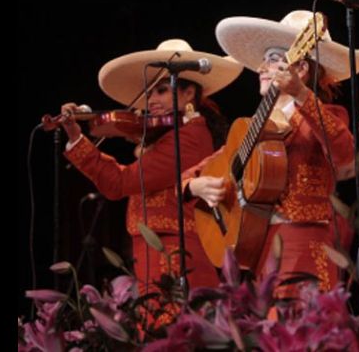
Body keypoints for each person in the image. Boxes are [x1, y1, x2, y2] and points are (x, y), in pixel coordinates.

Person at [185, 10, 359, 298]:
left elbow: (345, 152)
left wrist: (302, 95)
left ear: (301, 70)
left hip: (304, 242)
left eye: (273, 59)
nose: (261, 67)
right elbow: (194, 173)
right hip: (260, 247)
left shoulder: (328, 114)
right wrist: (193, 185)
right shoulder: (253, 130)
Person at [59, 39, 243, 292]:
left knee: (171, 325)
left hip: (174, 249)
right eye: (149, 92)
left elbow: (119, 183)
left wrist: (77, 141)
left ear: (189, 93)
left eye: (162, 90)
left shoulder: (188, 137)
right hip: (160, 245)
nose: (151, 100)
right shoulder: (174, 134)